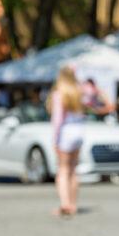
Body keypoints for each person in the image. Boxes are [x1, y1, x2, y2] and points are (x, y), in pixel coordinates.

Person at [49, 66, 85, 216]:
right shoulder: (78, 92)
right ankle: (73, 204)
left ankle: (65, 204)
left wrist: (55, 139)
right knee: (73, 170)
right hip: (79, 130)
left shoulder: (59, 94)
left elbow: (57, 119)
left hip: (65, 132)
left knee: (63, 169)